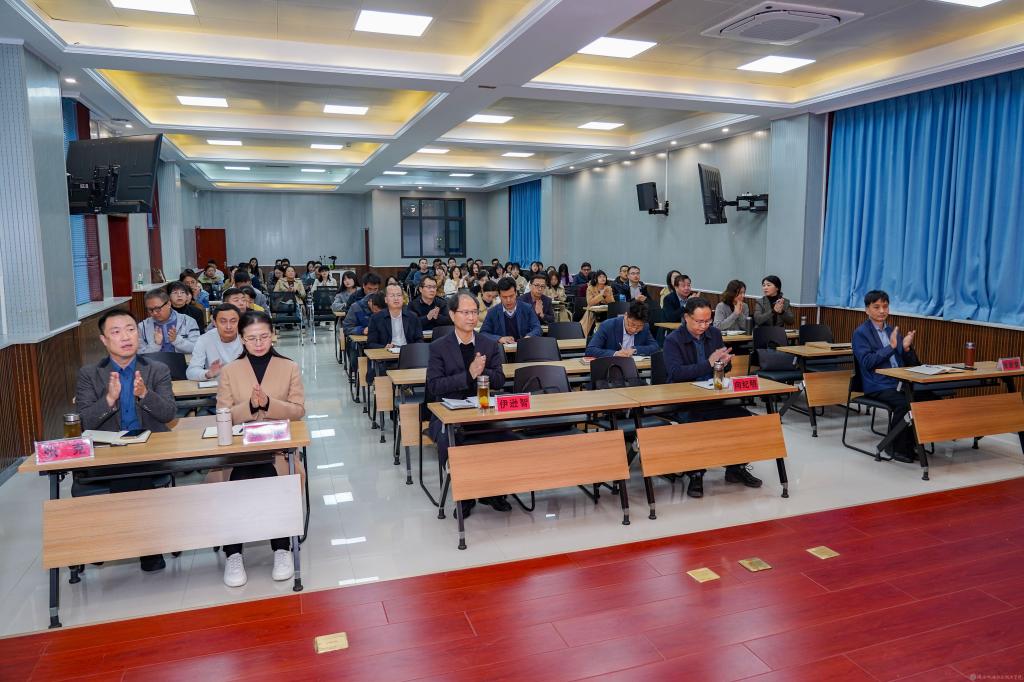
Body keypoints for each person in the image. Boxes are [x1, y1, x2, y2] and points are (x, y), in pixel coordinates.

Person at [75, 309, 176, 572]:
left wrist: (145, 394)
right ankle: (148, 550)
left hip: (151, 451)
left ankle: (113, 541)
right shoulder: (90, 374)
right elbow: (84, 422)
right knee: (130, 473)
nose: (125, 337)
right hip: (107, 454)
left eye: (131, 329)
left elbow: (169, 414)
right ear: (104, 340)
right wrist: (109, 399)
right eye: (116, 332)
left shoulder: (156, 370)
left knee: (134, 470)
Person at [217, 310, 305, 587]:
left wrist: (268, 404)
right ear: (242, 339)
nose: (258, 343)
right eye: (251, 338)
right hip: (239, 451)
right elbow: (223, 414)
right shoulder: (230, 371)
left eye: (264, 337)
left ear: (273, 335)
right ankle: (233, 553)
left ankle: (281, 548)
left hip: (278, 448)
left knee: (271, 475)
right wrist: (250, 406)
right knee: (238, 478)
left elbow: (298, 410)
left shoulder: (288, 366)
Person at [663, 297, 763, 497]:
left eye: (708, 321)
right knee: (696, 424)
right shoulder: (672, 340)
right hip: (685, 399)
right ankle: (696, 474)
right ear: (686, 318)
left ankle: (735, 468)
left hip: (713, 394)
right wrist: (709, 363)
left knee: (743, 418)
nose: (704, 326)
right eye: (699, 321)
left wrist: (724, 363)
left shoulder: (714, 334)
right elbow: (676, 373)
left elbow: (723, 366)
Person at [426, 292, 509, 518]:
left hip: (482, 411)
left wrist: (482, 372)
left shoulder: (488, 344)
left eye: (474, 312)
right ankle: (465, 495)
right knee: (452, 441)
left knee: (506, 436)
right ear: (452, 315)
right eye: (465, 312)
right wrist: (468, 374)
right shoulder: (439, 347)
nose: (471, 317)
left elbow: (500, 380)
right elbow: (434, 386)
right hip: (447, 414)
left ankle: (494, 491)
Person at [852, 290, 935, 463]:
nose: (882, 311)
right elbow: (867, 362)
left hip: (900, 382)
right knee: (905, 404)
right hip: (878, 385)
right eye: (876, 307)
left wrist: (906, 348)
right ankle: (895, 447)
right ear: (867, 310)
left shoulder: (892, 330)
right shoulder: (861, 333)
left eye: (885, 306)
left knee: (929, 397)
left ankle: (913, 442)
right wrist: (890, 347)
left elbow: (913, 363)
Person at [187, 303, 243, 380]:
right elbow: (191, 372)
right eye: (223, 321)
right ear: (214, 323)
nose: (228, 326)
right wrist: (208, 373)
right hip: (217, 385)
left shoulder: (248, 337)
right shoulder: (205, 339)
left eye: (233, 321)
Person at [586, 300, 659, 357]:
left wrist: (635, 350)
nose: (634, 329)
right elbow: (590, 350)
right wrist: (615, 353)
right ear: (625, 315)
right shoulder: (608, 325)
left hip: (635, 368)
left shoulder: (645, 327)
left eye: (639, 326)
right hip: (611, 367)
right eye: (632, 324)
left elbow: (655, 347)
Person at [480, 277, 542, 343]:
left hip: (524, 347)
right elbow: (483, 333)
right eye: (504, 297)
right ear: (499, 296)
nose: (508, 300)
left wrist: (529, 337)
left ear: (516, 293)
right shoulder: (492, 312)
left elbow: (537, 328)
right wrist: (499, 339)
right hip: (502, 348)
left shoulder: (527, 308)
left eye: (511, 296)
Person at [138, 287, 200, 354]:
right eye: (150, 310)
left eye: (157, 309)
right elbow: (140, 353)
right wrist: (155, 345)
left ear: (168, 304)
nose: (154, 313)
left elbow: (196, 348)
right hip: (154, 360)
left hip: (182, 360)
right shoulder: (142, 327)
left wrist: (176, 340)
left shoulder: (188, 321)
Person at [368, 283, 423, 350]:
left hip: (408, 352)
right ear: (386, 299)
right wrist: (384, 347)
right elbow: (371, 343)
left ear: (403, 298)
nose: (396, 298)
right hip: (387, 354)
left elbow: (419, 340)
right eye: (392, 295)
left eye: (399, 295)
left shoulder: (413, 317)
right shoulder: (376, 318)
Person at [581, 270, 616, 336]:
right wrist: (601, 295)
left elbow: (612, 303)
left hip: (606, 312)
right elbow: (590, 302)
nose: (603, 278)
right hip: (593, 313)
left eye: (604, 277)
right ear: (595, 279)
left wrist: (606, 295)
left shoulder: (608, 288)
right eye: (600, 277)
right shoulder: (590, 288)